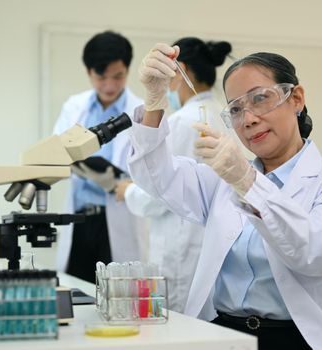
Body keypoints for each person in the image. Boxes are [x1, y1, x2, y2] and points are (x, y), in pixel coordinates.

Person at [127, 43, 322, 349]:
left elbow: (317, 252)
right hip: (222, 332)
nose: (249, 119)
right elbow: (155, 178)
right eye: (236, 109)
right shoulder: (222, 179)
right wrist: (154, 100)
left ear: (296, 98)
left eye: (260, 99)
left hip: (297, 338)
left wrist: (247, 181)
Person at [113, 37, 231, 313]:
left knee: (178, 325)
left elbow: (159, 190)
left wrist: (126, 191)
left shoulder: (183, 120)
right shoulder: (224, 115)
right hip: (211, 244)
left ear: (181, 71)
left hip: (181, 245)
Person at [53, 30, 146, 283]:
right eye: (101, 77)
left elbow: (153, 170)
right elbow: (54, 154)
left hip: (117, 216)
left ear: (127, 70)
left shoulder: (141, 113)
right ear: (89, 73)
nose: (110, 85)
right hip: (80, 219)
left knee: (119, 294)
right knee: (74, 292)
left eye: (118, 76)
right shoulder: (74, 107)